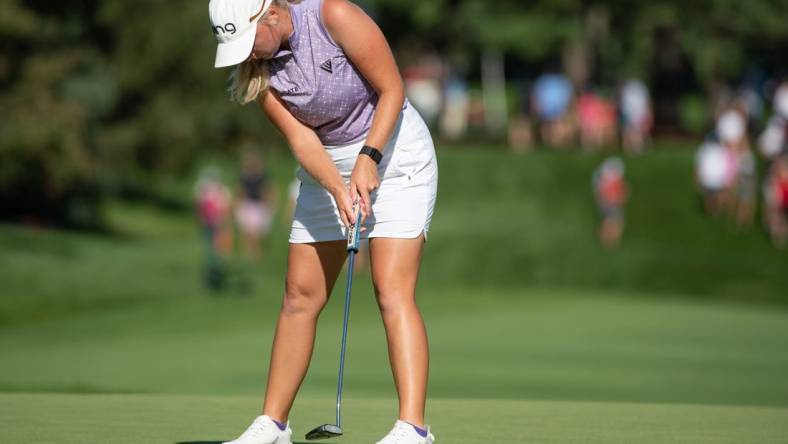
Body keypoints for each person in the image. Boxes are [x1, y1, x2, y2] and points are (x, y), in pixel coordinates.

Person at [208, 1, 438, 443]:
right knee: (300, 294)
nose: (248, 55)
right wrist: (338, 187)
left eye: (247, 41)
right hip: (326, 164)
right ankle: (272, 425)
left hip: (394, 150)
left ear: (268, 14)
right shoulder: (257, 76)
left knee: (391, 288)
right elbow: (302, 139)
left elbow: (392, 89)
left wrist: (369, 159)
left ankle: (413, 429)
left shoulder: (333, 14)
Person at [235, 148, 276, 261]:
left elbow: (267, 190)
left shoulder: (262, 176)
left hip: (258, 205)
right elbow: (240, 191)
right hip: (247, 204)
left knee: (256, 232)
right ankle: (246, 253)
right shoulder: (244, 176)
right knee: (245, 231)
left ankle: (255, 253)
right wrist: (238, 203)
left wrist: (269, 202)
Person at [593, 157, 629, 248]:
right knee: (613, 219)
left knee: (615, 219)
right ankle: (609, 236)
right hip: (610, 206)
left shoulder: (614, 181)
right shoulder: (603, 181)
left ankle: (611, 236)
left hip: (612, 206)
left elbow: (623, 193)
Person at [618, 78, 653, 153]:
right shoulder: (630, 90)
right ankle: (630, 149)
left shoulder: (634, 89)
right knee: (629, 132)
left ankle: (637, 149)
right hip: (631, 113)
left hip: (635, 113)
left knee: (635, 132)